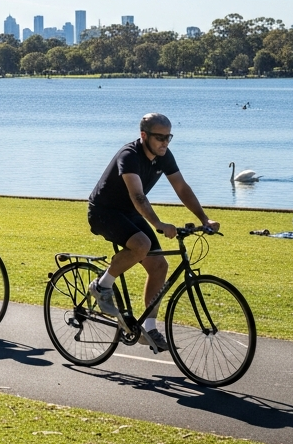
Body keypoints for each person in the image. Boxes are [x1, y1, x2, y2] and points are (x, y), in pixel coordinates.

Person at [86, 113, 217, 353]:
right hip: (104, 212)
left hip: (129, 213)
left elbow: (181, 187)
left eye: (169, 137)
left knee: (159, 266)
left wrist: (204, 218)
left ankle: (148, 328)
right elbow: (138, 196)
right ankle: (102, 286)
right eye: (160, 137)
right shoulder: (130, 155)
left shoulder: (164, 156)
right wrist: (158, 223)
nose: (165, 143)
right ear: (144, 135)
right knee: (142, 244)